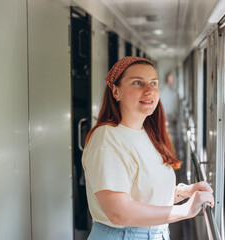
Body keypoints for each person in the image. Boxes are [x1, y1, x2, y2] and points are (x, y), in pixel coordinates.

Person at [82, 56, 214, 240]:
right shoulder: (107, 138)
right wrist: (185, 210)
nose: (149, 91)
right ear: (116, 91)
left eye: (154, 83)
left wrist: (184, 191)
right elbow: (118, 213)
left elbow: (145, 194)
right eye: (137, 83)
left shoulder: (148, 134)